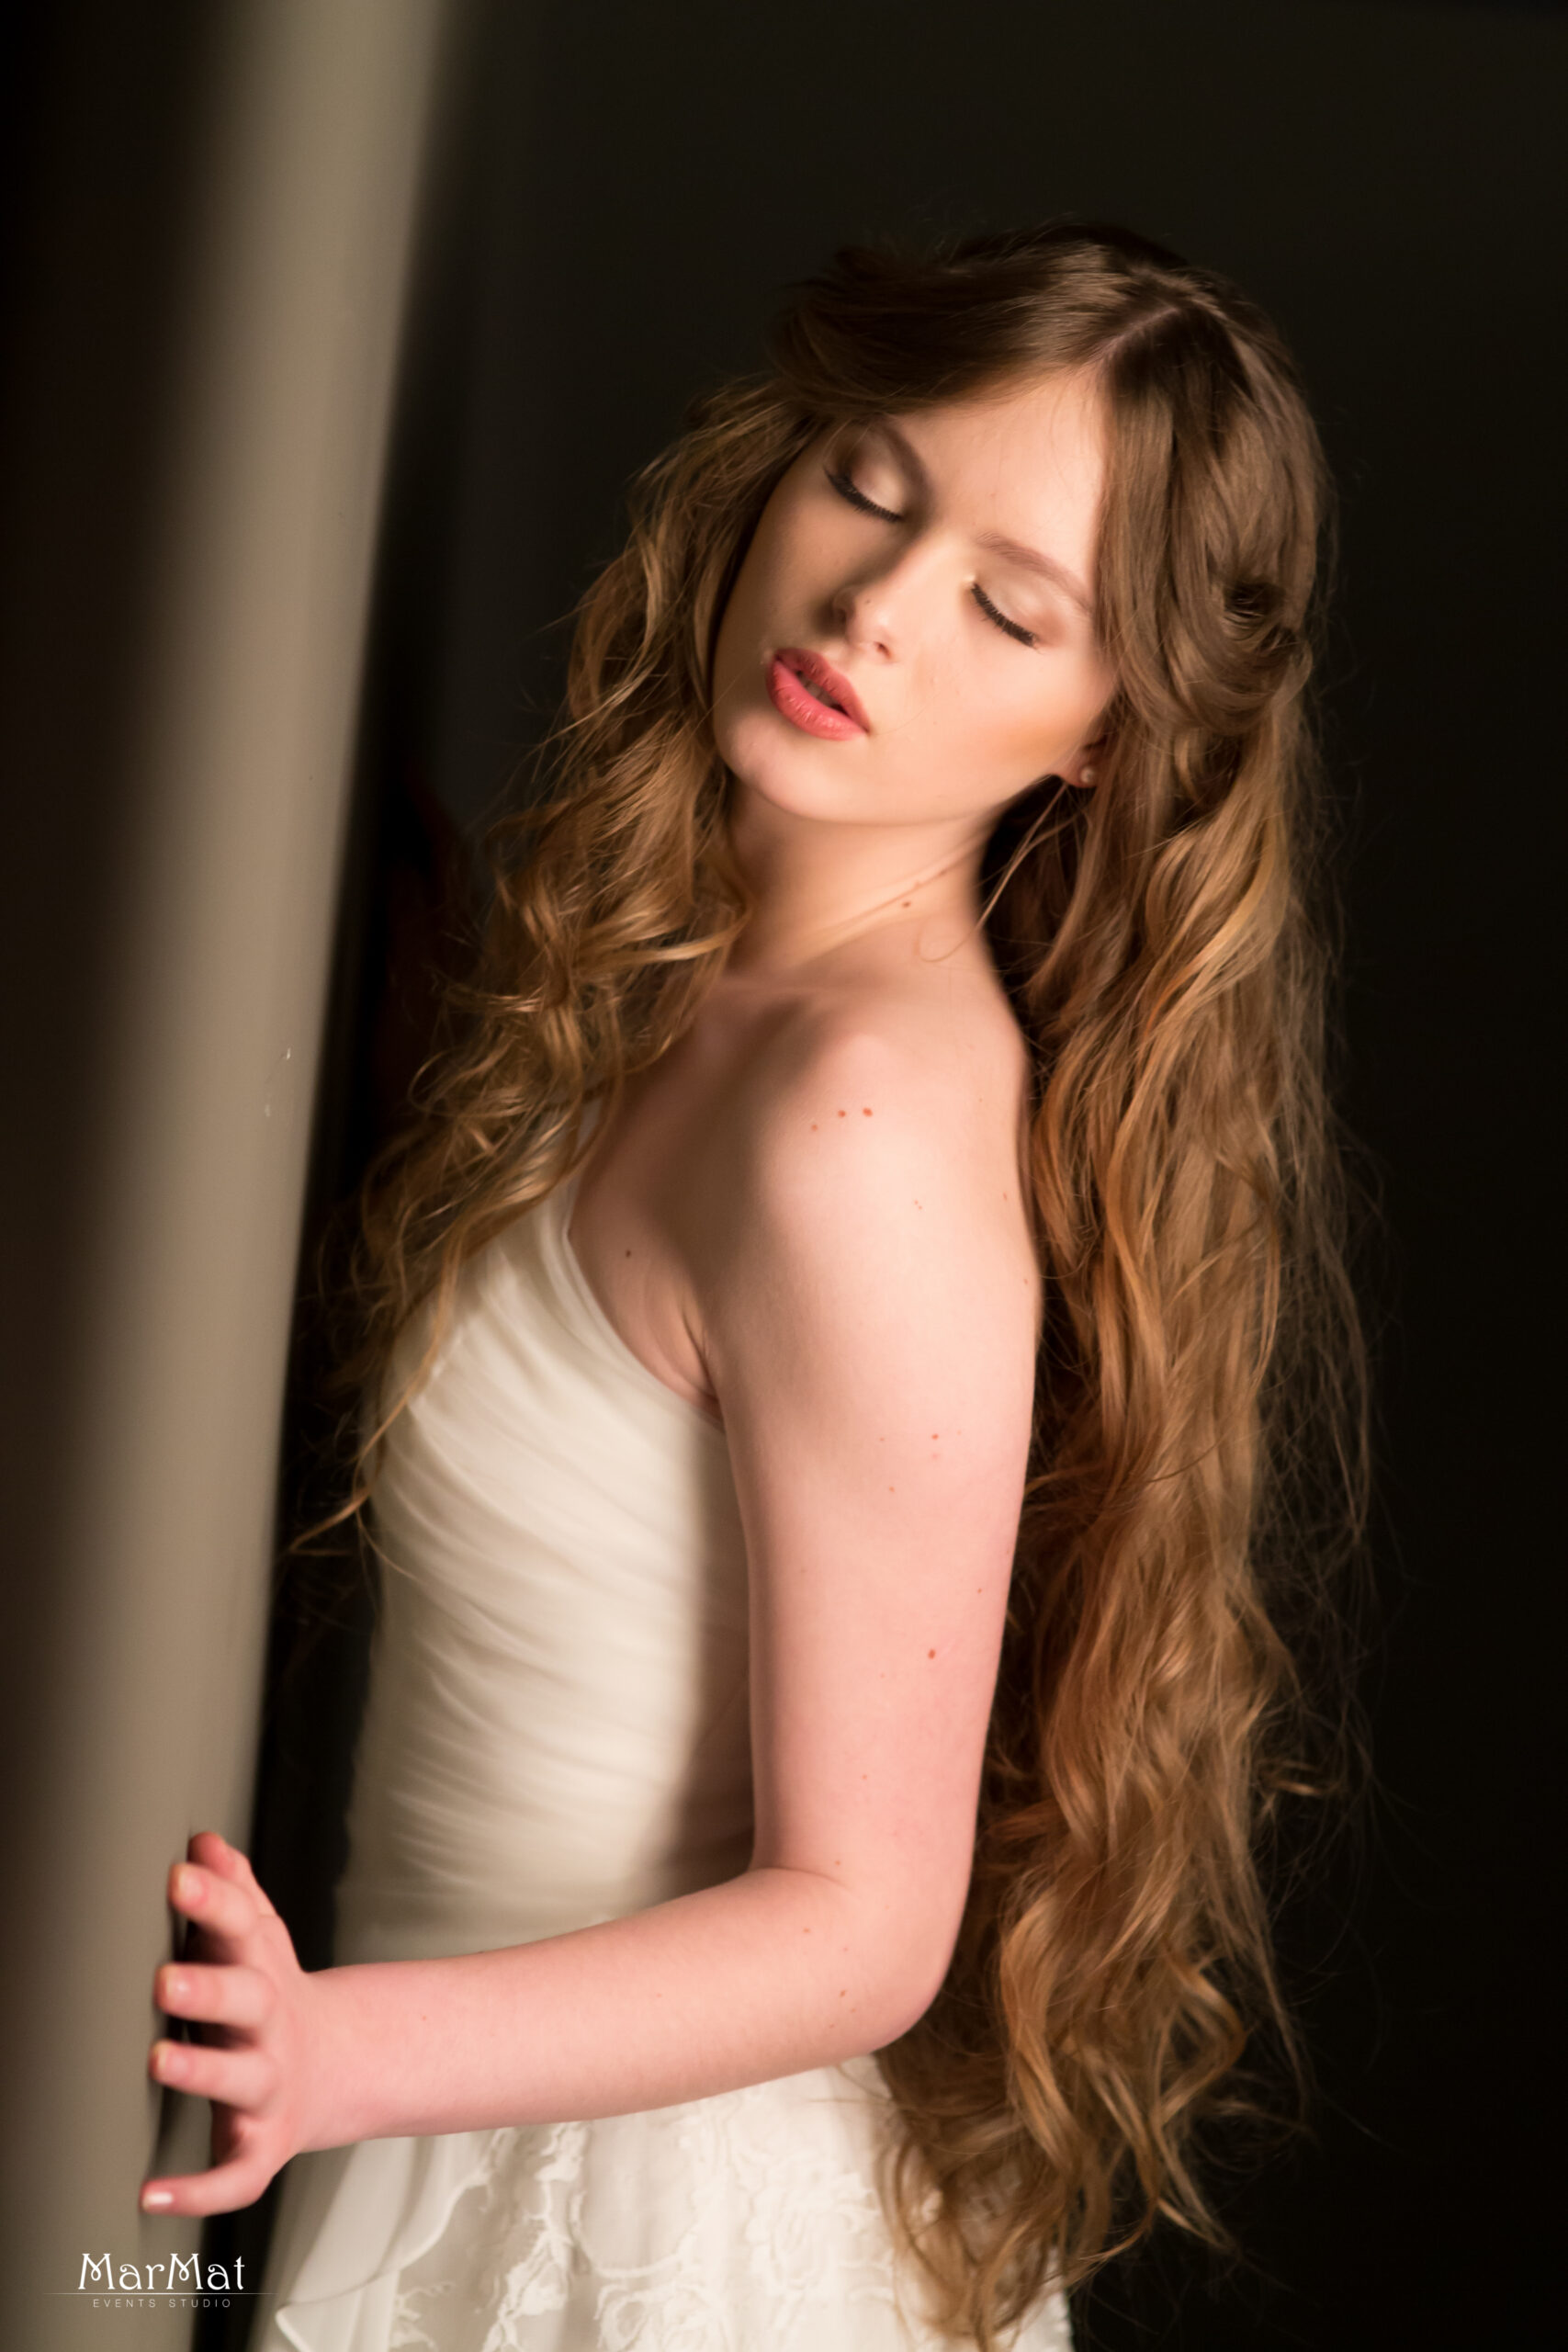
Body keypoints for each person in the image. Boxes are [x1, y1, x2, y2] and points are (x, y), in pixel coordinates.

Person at [140, 222, 1363, 2351]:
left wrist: (333, 2052)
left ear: (1101, 735)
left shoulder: (856, 1123)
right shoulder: (686, 984)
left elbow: (862, 1925)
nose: (875, 606)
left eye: (1006, 608)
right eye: (871, 484)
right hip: (462, 2117)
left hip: (632, 2226)